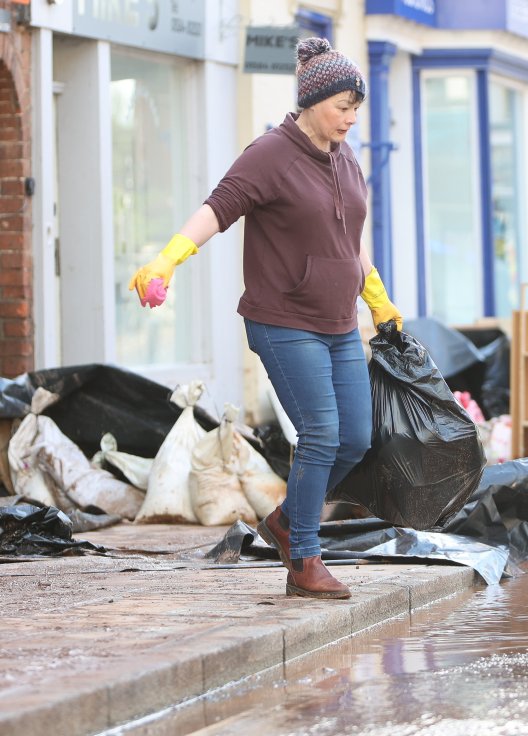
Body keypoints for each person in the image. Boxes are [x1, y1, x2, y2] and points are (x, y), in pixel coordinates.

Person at [128, 38, 402, 600]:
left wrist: (376, 297)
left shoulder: (345, 156)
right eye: (342, 105)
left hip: (339, 321)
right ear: (313, 100)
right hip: (284, 320)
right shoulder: (271, 154)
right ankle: (303, 557)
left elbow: (348, 240)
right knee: (321, 432)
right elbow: (219, 207)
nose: (351, 118)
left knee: (355, 437)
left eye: (357, 107)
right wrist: (168, 259)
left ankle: (282, 521)